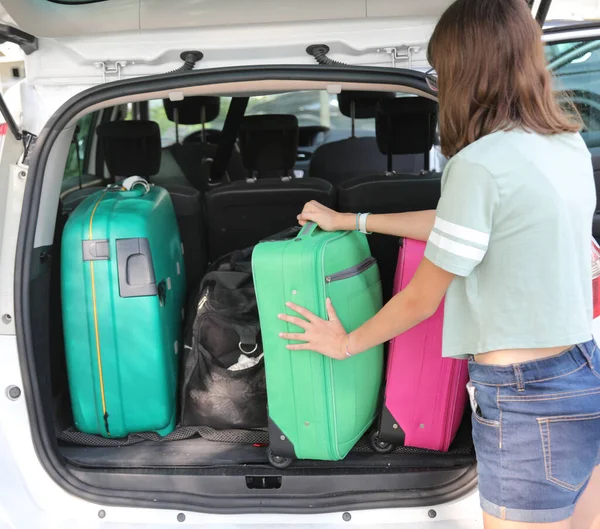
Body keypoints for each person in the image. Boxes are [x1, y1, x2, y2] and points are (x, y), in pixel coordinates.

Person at [277, 0, 600, 527]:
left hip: (525, 395)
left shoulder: (477, 164)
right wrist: (355, 221)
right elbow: (461, 226)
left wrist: (345, 343)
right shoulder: (565, 145)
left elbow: (423, 298)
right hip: (584, 370)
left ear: (464, 71)